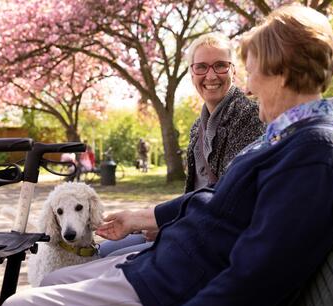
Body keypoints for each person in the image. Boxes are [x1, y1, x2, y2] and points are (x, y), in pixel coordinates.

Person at [0, 5, 333, 306]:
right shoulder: (293, 139)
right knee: (54, 280)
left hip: (176, 291)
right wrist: (146, 217)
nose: (246, 87)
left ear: (281, 72)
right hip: (171, 270)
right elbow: (219, 203)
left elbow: (256, 275)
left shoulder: (313, 152)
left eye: (250, 72)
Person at [99, 33, 264, 257]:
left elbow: (227, 198)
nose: (211, 75)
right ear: (191, 73)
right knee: (102, 249)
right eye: (202, 67)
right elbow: (195, 191)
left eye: (220, 66)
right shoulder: (198, 126)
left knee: (109, 255)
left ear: (234, 70)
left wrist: (171, 225)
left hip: (212, 240)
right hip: (188, 223)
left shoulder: (250, 116)